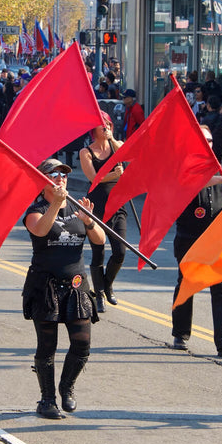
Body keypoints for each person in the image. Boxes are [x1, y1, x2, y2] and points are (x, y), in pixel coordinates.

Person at [22, 158, 105, 419]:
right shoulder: (36, 209)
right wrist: (56, 204)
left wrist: (89, 221)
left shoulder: (78, 206)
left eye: (64, 174)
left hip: (76, 285)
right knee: (47, 347)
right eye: (54, 174)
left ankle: (66, 387)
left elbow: (100, 240)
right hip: (45, 285)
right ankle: (47, 400)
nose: (61, 178)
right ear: (43, 181)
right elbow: (40, 231)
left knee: (82, 345)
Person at [171, 126, 222, 356]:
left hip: (217, 239)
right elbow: (192, 183)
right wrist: (220, 181)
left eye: (209, 140)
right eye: (201, 140)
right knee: (187, 283)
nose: (206, 145)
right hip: (189, 237)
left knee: (221, 287)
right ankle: (180, 333)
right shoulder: (184, 170)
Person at [79, 112, 127, 312]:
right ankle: (99, 295)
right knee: (98, 252)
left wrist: (112, 140)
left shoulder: (117, 145)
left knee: (120, 251)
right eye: (101, 123)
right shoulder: (86, 152)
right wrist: (112, 175)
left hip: (117, 206)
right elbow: (93, 177)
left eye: (108, 122)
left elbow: (125, 155)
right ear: (93, 128)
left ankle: (107, 285)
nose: (105, 126)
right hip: (96, 207)